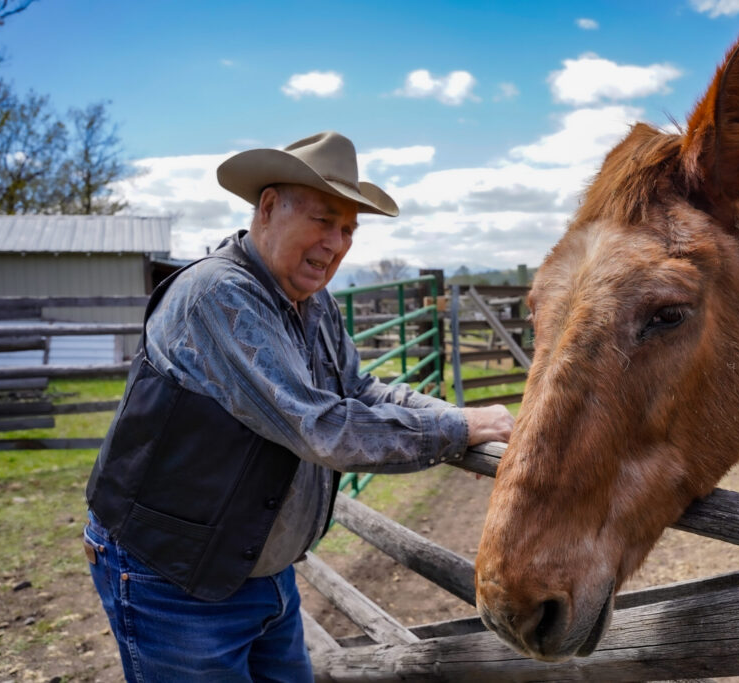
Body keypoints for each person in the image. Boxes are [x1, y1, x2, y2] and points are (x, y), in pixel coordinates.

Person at [83, 131, 514, 681]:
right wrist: (459, 428)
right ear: (268, 209)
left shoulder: (312, 302)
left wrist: (468, 426)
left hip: (257, 567)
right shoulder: (218, 294)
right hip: (173, 575)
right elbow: (322, 427)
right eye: (322, 220)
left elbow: (359, 391)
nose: (335, 242)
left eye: (348, 229)